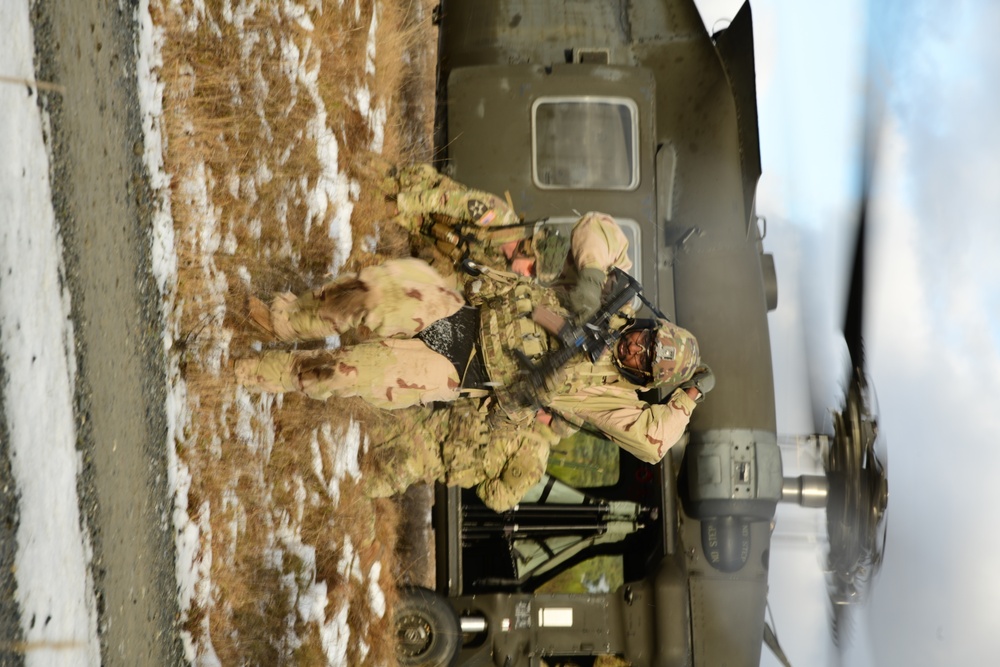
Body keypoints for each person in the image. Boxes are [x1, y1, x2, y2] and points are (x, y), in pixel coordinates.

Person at [236, 164, 713, 505]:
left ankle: (252, 372)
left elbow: (653, 442)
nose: (636, 347)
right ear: (649, 326)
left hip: (456, 371)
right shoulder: (612, 300)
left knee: (343, 372)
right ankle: (287, 322)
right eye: (647, 339)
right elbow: (600, 228)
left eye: (646, 359)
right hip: (460, 307)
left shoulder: (611, 399)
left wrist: (688, 396)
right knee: (367, 294)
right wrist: (589, 279)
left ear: (646, 376)